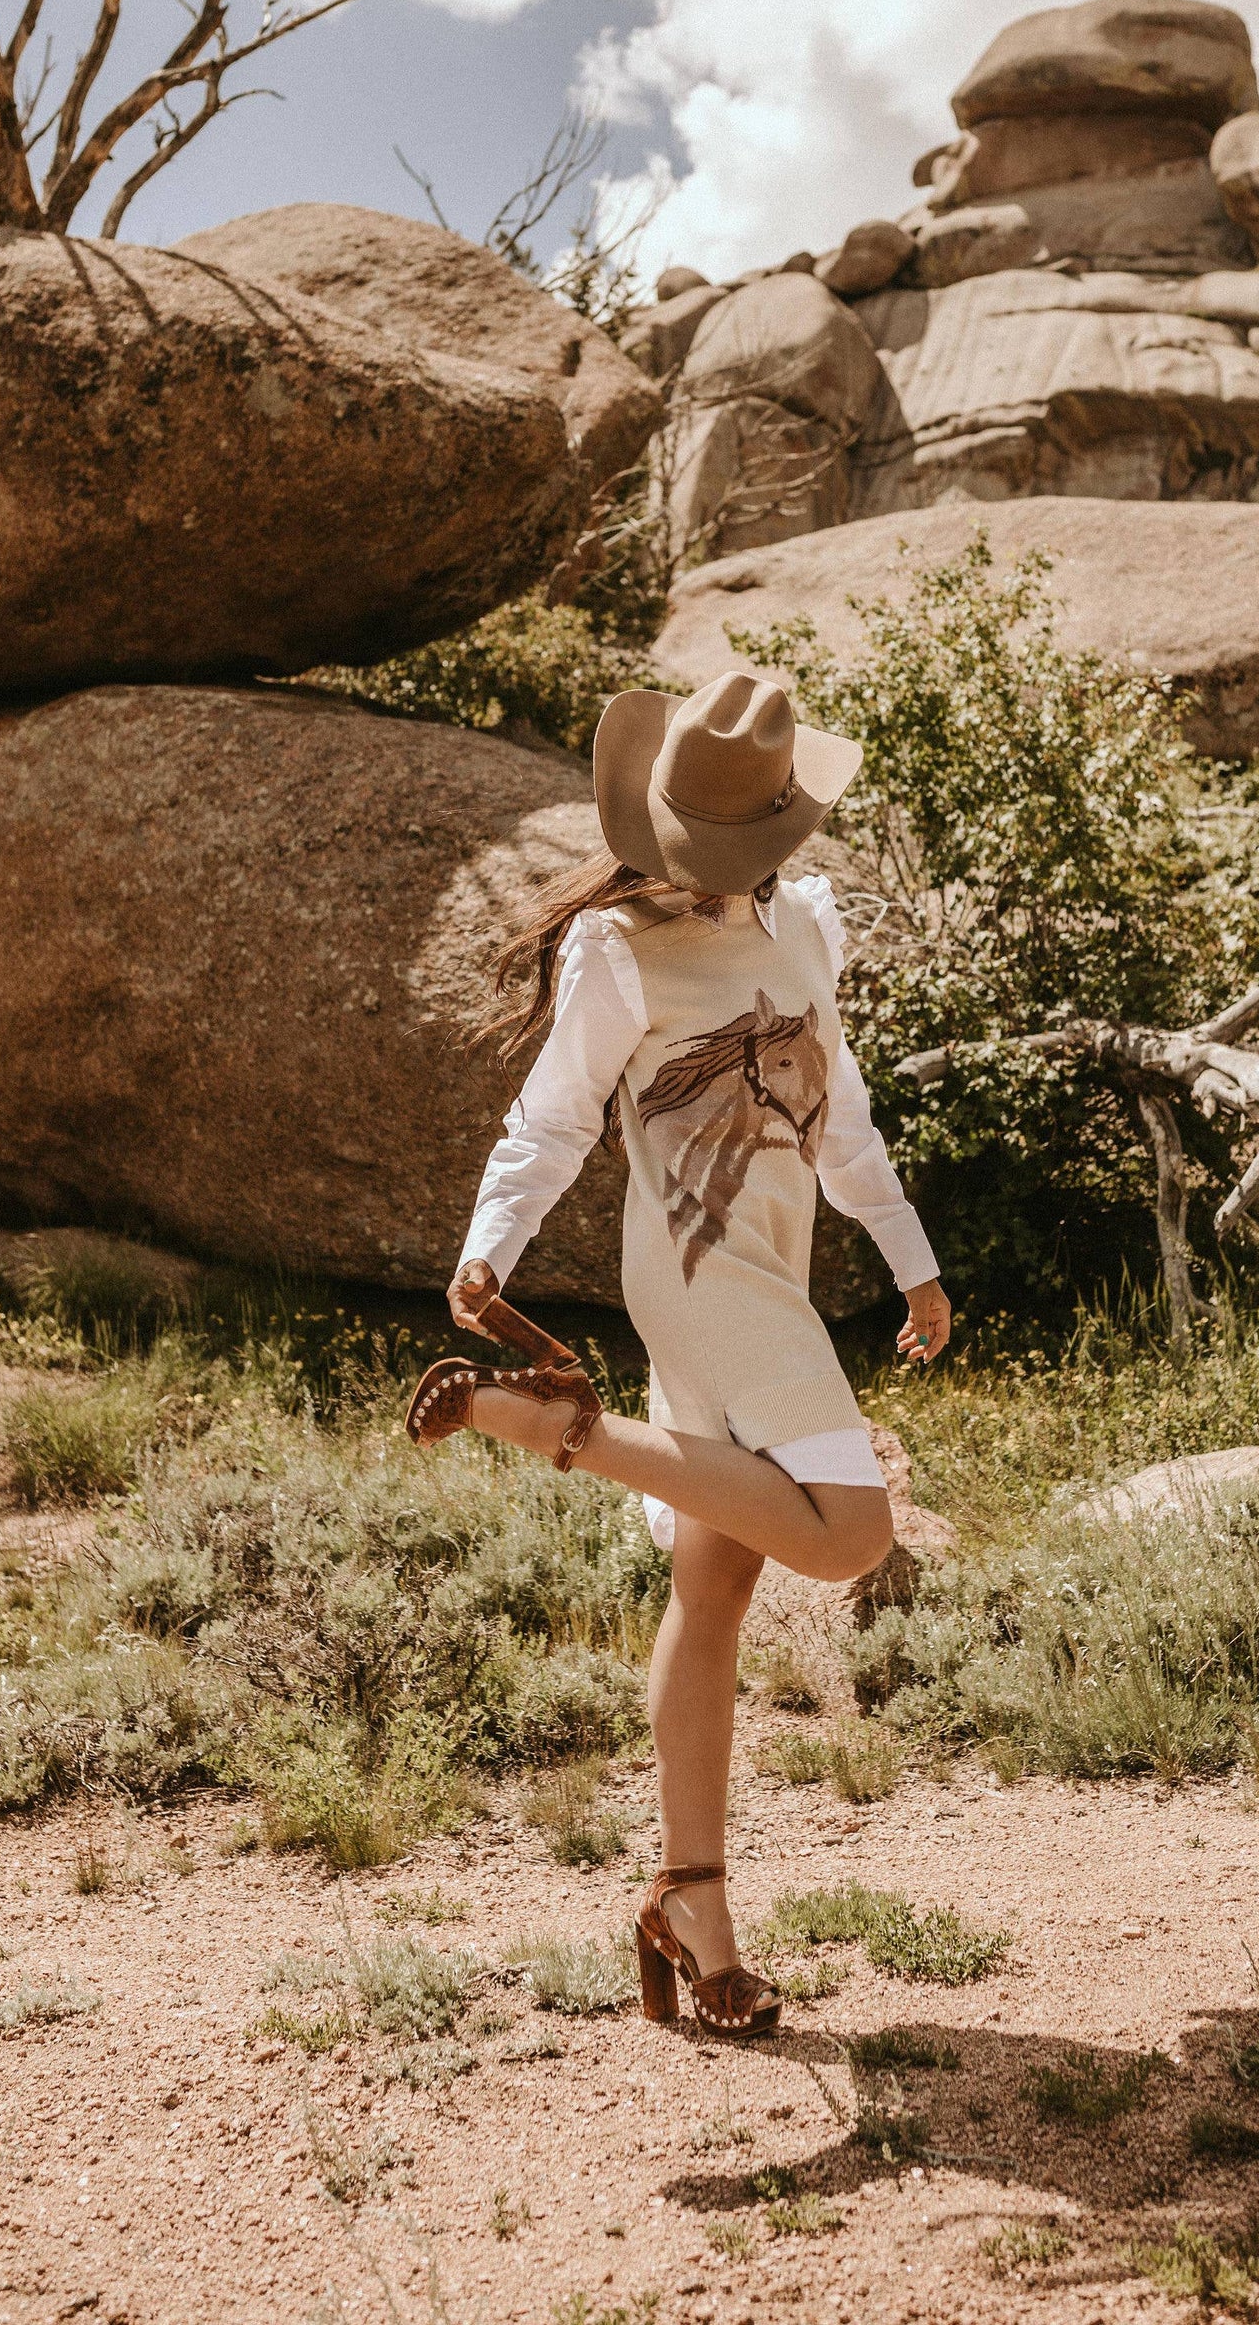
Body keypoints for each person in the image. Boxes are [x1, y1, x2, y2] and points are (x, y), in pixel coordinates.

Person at [408, 669, 950, 2038]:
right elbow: (552, 1121)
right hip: (698, 1276)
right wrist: (491, 1246)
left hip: (775, 1265)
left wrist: (911, 1259)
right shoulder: (618, 950)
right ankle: (551, 1425)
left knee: (712, 1594)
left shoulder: (806, 925)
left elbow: (840, 1120)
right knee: (850, 1536)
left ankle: (690, 1907)